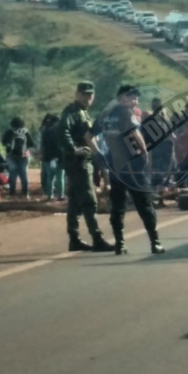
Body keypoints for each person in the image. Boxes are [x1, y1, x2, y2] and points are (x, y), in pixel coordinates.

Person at [102, 85, 164, 255]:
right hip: (133, 166)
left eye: (136, 97)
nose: (135, 100)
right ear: (122, 98)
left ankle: (120, 243)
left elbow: (104, 141)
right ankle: (155, 241)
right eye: (132, 97)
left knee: (118, 206)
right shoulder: (126, 114)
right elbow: (136, 136)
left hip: (115, 166)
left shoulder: (108, 116)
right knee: (145, 204)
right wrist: (145, 156)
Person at [58, 81, 114, 252]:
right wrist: (73, 149)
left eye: (90, 95)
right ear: (77, 94)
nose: (88, 98)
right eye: (84, 95)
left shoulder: (83, 113)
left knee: (75, 202)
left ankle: (74, 238)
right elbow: (62, 130)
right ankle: (97, 238)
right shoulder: (72, 112)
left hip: (83, 161)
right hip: (79, 162)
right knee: (89, 200)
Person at [2, 117, 36, 199]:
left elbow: (3, 142)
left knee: (13, 174)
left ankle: (12, 194)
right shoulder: (26, 132)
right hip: (24, 156)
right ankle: (25, 194)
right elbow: (32, 144)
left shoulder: (9, 131)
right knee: (23, 175)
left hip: (11, 156)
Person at [40, 114, 66, 201]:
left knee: (50, 177)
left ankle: (50, 195)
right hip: (59, 157)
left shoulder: (45, 131)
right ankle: (61, 195)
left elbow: (43, 145)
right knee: (60, 177)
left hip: (47, 157)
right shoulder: (60, 132)